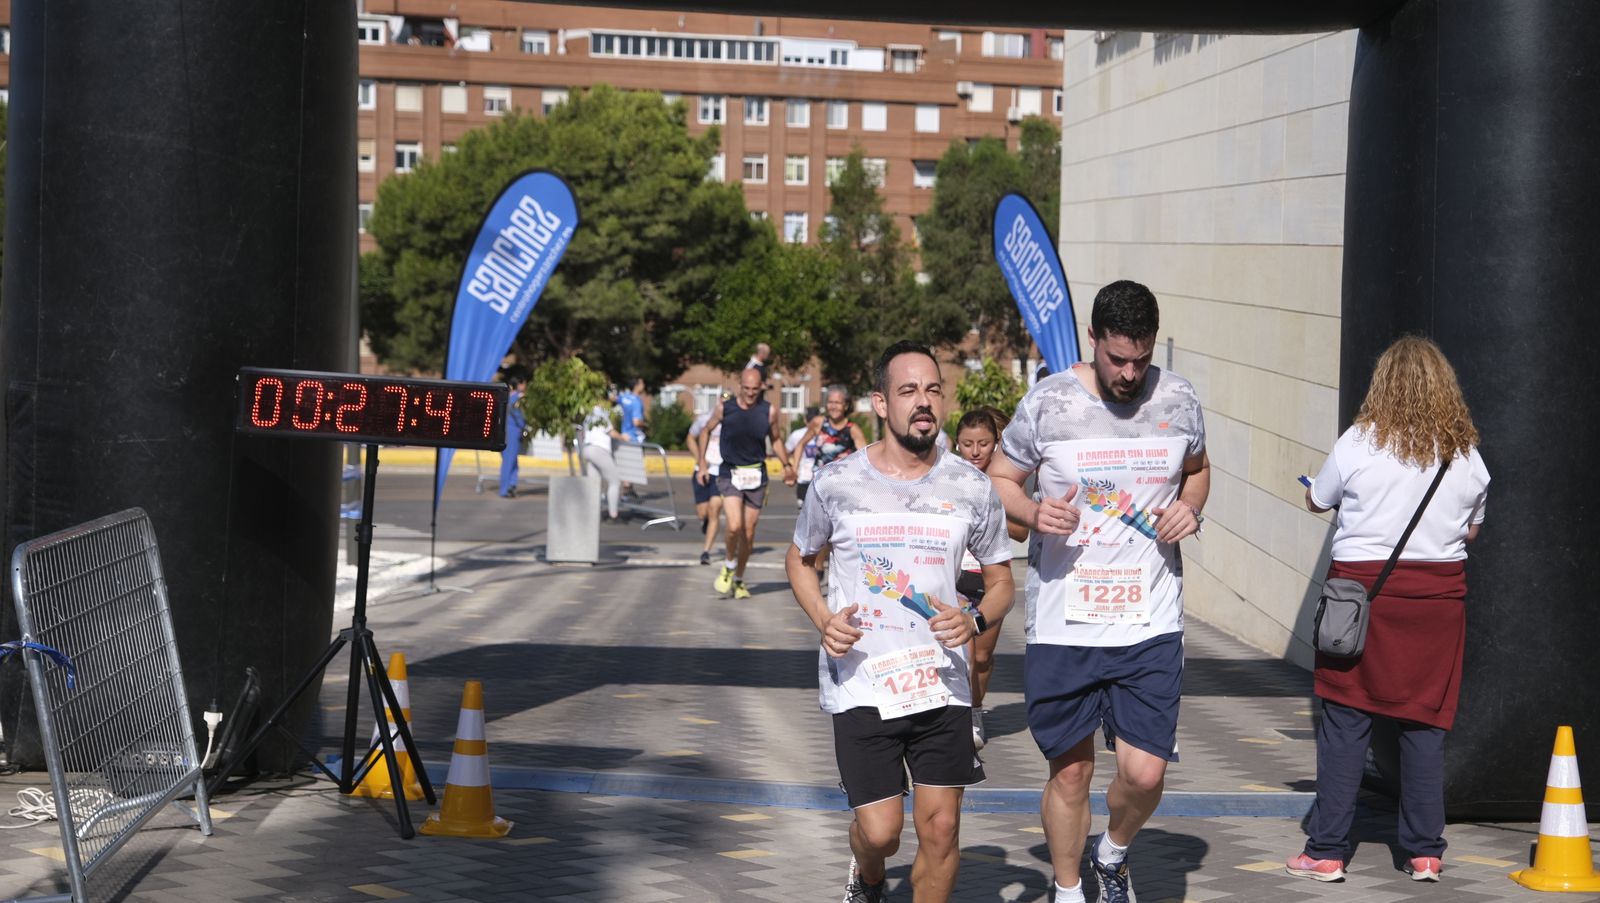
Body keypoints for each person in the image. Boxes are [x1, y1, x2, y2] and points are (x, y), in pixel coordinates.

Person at [989, 280, 1210, 903]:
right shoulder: (1049, 403)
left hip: (1150, 618)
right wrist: (1033, 512)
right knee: (1072, 772)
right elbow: (1001, 478)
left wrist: (1190, 509)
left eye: (1141, 358)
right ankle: (1066, 890)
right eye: (1118, 359)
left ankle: (1111, 852)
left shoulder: (1180, 399)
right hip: (1066, 622)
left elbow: (1197, 472)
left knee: (1144, 772)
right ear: (1094, 341)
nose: (1130, 373)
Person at [787, 340, 1015, 903]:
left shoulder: (970, 486)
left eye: (933, 390)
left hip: (942, 683)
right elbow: (799, 557)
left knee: (940, 830)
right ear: (880, 403)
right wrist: (823, 618)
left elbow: (1003, 580)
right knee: (882, 833)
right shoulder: (837, 482)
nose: (923, 401)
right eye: (908, 390)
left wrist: (976, 617)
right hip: (864, 680)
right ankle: (867, 876)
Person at [1285, 336, 1489, 885]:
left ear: (1384, 385)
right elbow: (1471, 528)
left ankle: (1326, 851)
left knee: (1345, 720)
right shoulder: (1466, 456)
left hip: (1360, 602)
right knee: (1424, 724)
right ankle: (1424, 852)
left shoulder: (1357, 442)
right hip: (1437, 607)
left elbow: (1319, 498)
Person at [953, 406, 1028, 750]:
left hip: (990, 581)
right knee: (963, 652)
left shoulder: (1004, 483)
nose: (975, 451)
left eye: (983, 444)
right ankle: (957, 717)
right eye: (968, 444)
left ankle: (975, 707)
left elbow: (1021, 531)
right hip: (954, 579)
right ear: (957, 445)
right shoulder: (948, 478)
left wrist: (993, 503)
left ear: (995, 444)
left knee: (981, 658)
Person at [695, 368, 794, 599]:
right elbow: (705, 431)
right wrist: (701, 463)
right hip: (730, 472)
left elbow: (776, 440)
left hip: (756, 475)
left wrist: (787, 466)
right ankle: (729, 564)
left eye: (755, 389)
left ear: (762, 387)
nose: (750, 394)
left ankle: (739, 580)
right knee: (734, 526)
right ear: (740, 385)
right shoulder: (724, 408)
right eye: (746, 388)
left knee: (748, 532)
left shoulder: (769, 411)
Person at [686, 396, 728, 566]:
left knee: (715, 510)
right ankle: (705, 522)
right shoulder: (704, 419)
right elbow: (690, 438)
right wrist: (700, 460)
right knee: (703, 513)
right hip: (703, 470)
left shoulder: (733, 422)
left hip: (722, 472)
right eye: (723, 401)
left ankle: (706, 551)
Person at [581, 392, 627, 522]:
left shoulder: (588, 415)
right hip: (599, 450)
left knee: (594, 483)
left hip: (587, 449)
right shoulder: (601, 413)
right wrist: (623, 437)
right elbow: (611, 432)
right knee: (614, 481)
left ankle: (593, 514)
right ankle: (613, 515)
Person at [499, 376, 526, 498]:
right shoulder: (517, 399)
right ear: (519, 385)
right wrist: (524, 427)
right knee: (509, 461)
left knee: (512, 460)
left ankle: (511, 485)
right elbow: (518, 416)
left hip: (504, 431)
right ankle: (505, 489)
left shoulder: (506, 397)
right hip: (513, 431)